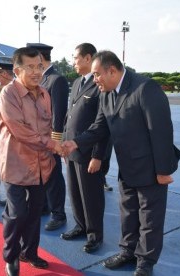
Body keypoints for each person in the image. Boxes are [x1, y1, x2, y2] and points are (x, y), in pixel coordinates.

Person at [62, 50, 180, 276]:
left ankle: (145, 262)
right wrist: (75, 143)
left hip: (151, 168)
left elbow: (162, 132)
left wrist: (164, 170)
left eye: (97, 74)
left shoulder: (145, 89)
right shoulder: (106, 93)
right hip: (126, 166)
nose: (94, 79)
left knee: (150, 218)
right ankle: (127, 252)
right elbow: (100, 127)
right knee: (128, 213)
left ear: (113, 71)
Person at [0, 46, 63, 276]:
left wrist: (57, 146)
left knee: (35, 212)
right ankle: (11, 256)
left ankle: (30, 252)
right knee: (17, 214)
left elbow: (48, 126)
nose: (37, 72)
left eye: (40, 67)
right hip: (16, 164)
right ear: (17, 70)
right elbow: (20, 131)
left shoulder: (45, 94)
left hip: (41, 165)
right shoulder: (8, 94)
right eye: (31, 67)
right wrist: (53, 145)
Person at [60, 43, 108, 253]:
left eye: (76, 58)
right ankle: (80, 226)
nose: (73, 63)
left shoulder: (100, 86)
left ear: (88, 58)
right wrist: (63, 144)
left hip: (89, 153)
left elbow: (104, 124)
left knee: (92, 197)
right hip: (71, 150)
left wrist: (98, 156)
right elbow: (68, 117)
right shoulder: (78, 82)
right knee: (75, 194)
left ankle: (95, 235)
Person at [27, 42, 69, 231]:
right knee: (42, 175)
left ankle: (58, 214)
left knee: (53, 176)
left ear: (40, 59)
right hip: (39, 138)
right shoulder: (41, 79)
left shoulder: (56, 80)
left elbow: (59, 115)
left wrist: (55, 141)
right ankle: (44, 206)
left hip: (50, 138)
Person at [0, 61, 14, 207]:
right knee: (7, 170)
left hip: (14, 140)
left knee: (14, 171)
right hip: (5, 137)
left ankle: (16, 201)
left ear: (4, 74)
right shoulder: (4, 89)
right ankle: (11, 198)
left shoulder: (13, 90)